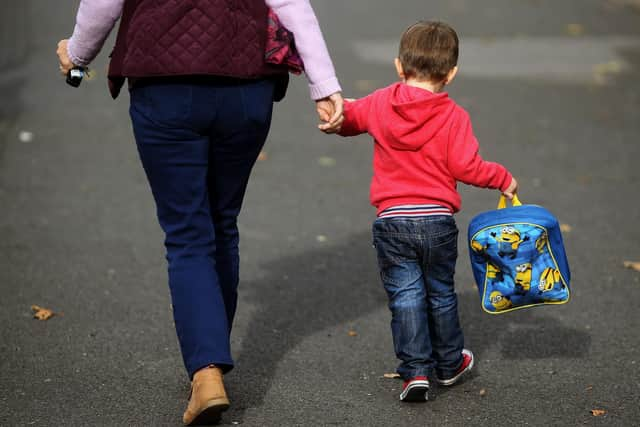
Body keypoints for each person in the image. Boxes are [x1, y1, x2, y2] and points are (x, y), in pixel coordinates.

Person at [56, 0, 344, 424]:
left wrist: (78, 53)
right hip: (246, 87)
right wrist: (324, 85)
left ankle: (206, 372)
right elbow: (291, 5)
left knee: (188, 232)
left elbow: (104, 2)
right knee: (221, 222)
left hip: (165, 87)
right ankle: (210, 358)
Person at [330, 21, 518, 401]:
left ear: (400, 66)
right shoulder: (454, 116)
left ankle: (415, 371)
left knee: (405, 297)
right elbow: (467, 168)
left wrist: (334, 110)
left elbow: (349, 119)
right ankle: (449, 364)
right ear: (451, 74)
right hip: (436, 221)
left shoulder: (382, 102)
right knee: (441, 294)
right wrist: (503, 178)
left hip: (393, 221)